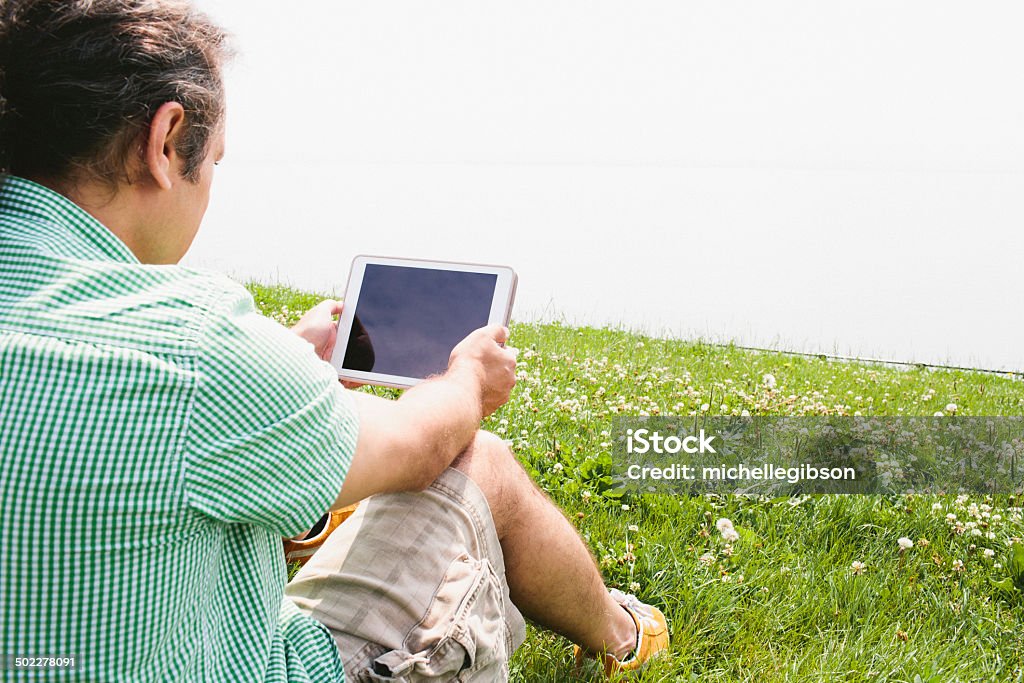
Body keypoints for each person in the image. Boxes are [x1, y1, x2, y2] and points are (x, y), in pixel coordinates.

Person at [0, 1, 668, 680]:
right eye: (217, 161)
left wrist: (282, 368)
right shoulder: (192, 346)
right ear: (167, 142)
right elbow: (416, 446)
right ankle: (626, 636)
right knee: (481, 461)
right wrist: (468, 378)